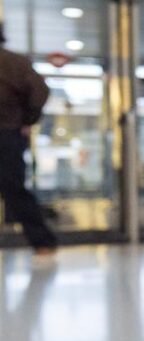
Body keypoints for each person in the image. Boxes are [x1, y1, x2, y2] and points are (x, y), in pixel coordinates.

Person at [0, 24, 57, 256]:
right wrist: (27, 120)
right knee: (14, 188)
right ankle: (43, 242)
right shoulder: (16, 62)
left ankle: (43, 241)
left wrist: (27, 119)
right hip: (9, 132)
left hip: (7, 132)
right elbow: (39, 92)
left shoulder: (13, 63)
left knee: (13, 188)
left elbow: (39, 92)